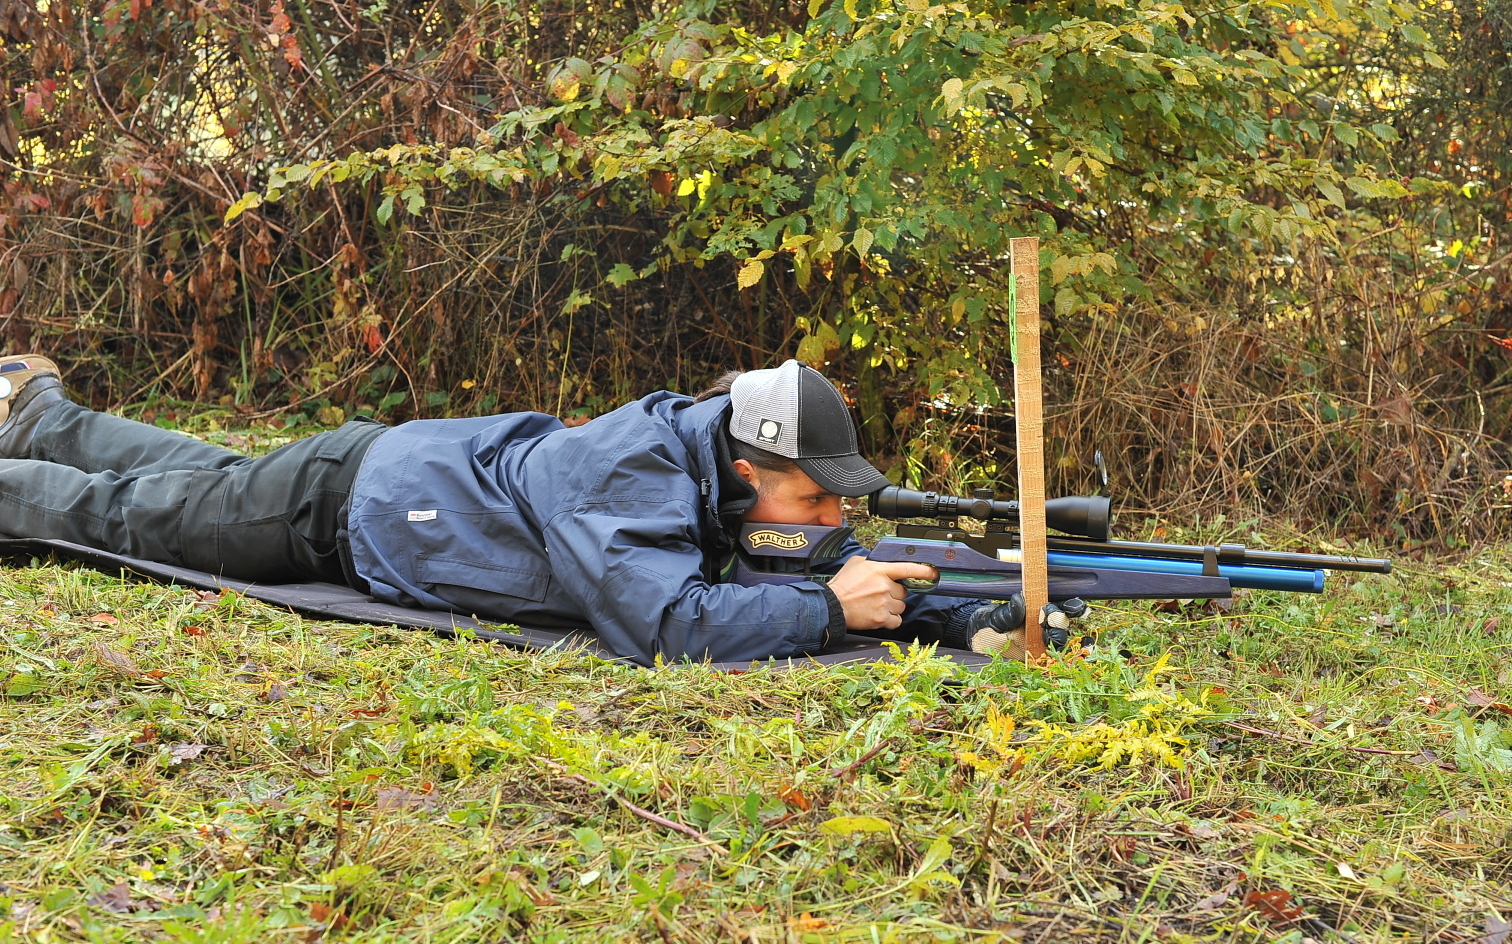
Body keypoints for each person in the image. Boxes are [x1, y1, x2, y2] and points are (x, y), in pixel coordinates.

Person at [0, 354, 1077, 662]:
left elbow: (799, 566)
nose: (830, 520)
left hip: (395, 473)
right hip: (343, 509)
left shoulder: (707, 457)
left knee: (197, 475)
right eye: (815, 496)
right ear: (752, 469)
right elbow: (669, 623)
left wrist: (969, 618)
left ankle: (35, 411)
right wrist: (829, 612)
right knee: (125, 518)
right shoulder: (630, 477)